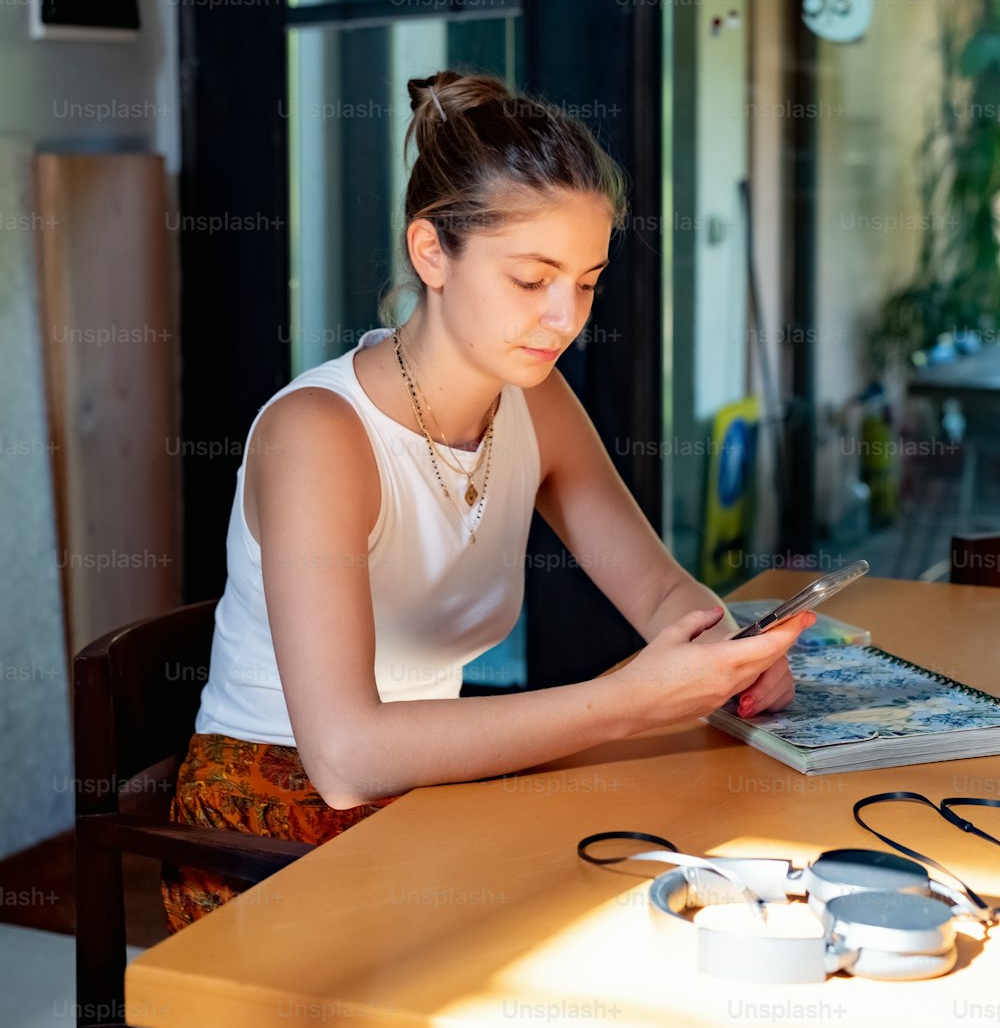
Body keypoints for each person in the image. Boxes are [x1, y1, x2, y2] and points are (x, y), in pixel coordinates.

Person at [161, 69, 812, 938]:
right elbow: (348, 758)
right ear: (432, 254)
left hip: (425, 798)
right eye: (531, 278)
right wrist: (628, 700)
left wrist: (725, 648)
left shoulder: (532, 399)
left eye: (586, 281)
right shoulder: (318, 434)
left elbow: (658, 593)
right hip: (271, 827)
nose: (563, 317)